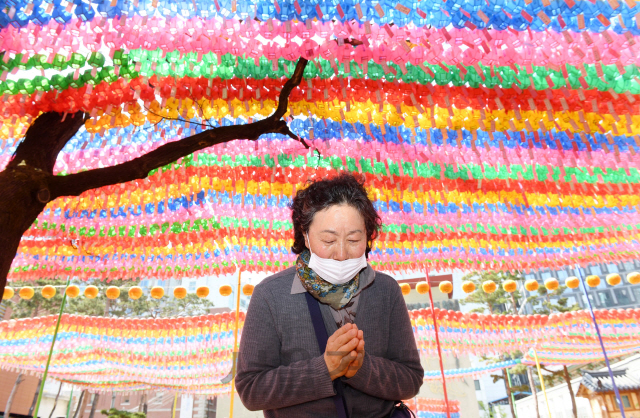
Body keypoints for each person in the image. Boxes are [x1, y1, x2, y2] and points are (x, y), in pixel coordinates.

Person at [236, 173, 424, 417]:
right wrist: (325, 369)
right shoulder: (270, 295)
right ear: (305, 235)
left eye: (354, 239)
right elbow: (252, 390)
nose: (342, 253)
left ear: (368, 236)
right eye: (328, 240)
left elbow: (410, 379)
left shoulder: (386, 290)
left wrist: (361, 368)